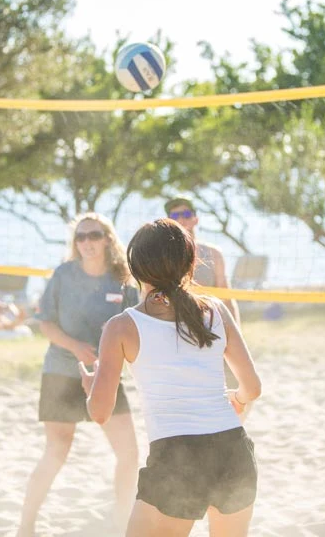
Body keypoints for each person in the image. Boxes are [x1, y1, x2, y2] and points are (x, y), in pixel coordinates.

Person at [81, 218, 261, 536]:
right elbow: (253, 388)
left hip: (178, 457)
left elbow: (99, 413)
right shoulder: (217, 310)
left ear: (135, 267)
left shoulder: (121, 326)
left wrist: (90, 386)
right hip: (233, 450)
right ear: (189, 263)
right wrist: (238, 399)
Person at [18, 212, 139, 537]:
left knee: (129, 454)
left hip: (107, 374)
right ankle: (26, 525)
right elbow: (45, 323)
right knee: (57, 450)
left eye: (94, 235)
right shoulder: (63, 274)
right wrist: (76, 347)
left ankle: (121, 519)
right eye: (80, 237)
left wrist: (114, 340)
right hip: (63, 370)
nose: (87, 242)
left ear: (107, 239)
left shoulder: (123, 279)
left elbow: (136, 326)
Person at [164, 196, 240, 324]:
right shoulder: (163, 254)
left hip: (208, 322)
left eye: (186, 214)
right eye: (175, 216)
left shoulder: (214, 253)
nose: (181, 219)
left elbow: (226, 296)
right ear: (168, 221)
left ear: (196, 219)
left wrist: (237, 329)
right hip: (174, 323)